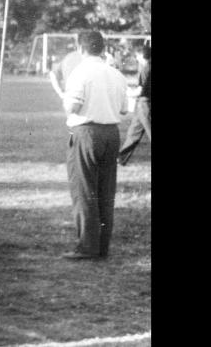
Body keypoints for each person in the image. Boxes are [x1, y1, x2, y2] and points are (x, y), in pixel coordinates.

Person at [61, 31, 128, 260]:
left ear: (81, 49)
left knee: (84, 190)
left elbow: (72, 107)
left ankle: (87, 246)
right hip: (111, 133)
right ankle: (102, 245)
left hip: (87, 132)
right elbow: (123, 109)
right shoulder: (116, 74)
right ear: (102, 48)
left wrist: (63, 96)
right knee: (105, 191)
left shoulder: (80, 72)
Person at [118, 45, 151, 166]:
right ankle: (121, 158)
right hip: (142, 104)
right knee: (133, 133)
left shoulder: (147, 68)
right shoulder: (146, 67)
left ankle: (121, 158)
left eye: (137, 56)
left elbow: (141, 91)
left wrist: (125, 92)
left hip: (145, 104)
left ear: (143, 56)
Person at [48, 34, 87, 99]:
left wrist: (61, 94)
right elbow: (53, 74)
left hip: (72, 100)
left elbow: (53, 74)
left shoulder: (68, 57)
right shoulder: (97, 60)